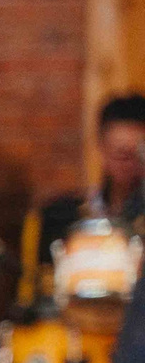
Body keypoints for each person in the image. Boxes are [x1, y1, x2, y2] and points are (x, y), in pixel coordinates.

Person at [34, 92, 145, 268]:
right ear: (102, 148)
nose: (130, 165)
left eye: (138, 156)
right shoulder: (63, 216)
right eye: (121, 155)